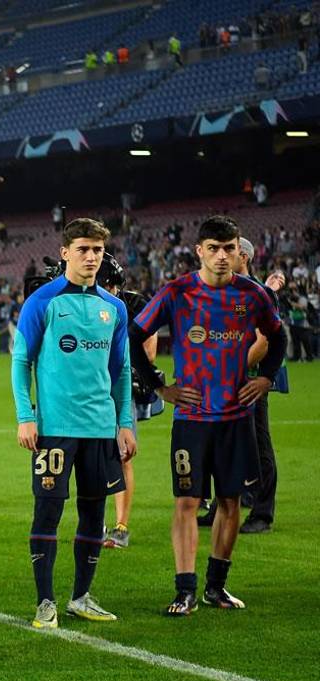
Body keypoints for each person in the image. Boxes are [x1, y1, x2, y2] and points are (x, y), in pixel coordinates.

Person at [128, 216, 286, 616]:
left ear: (239, 251)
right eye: (213, 248)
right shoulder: (177, 292)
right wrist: (160, 385)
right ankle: (184, 590)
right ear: (199, 251)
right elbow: (133, 334)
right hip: (192, 422)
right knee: (187, 501)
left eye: (229, 248)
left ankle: (217, 587)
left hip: (235, 418)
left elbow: (279, 335)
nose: (221, 256)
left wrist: (266, 377)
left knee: (230, 502)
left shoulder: (252, 295)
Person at [11, 219, 136, 629]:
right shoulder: (43, 301)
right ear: (65, 252)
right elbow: (21, 361)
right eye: (82, 249)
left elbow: (121, 371)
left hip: (100, 429)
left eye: (97, 250)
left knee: (93, 514)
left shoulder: (114, 308)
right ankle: (44, 602)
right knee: (48, 512)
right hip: (54, 429)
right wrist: (26, 417)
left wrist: (125, 422)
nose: (90, 257)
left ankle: (80, 597)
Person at [98, 255, 160, 549]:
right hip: (90, 390)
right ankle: (96, 524)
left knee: (122, 456)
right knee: (92, 458)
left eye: (108, 284)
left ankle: (121, 527)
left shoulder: (133, 304)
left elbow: (149, 346)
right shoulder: (79, 301)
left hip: (123, 387)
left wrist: (136, 370)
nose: (105, 289)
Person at [239, 237, 284, 535]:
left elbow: (264, 341)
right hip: (229, 383)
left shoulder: (259, 294)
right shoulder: (226, 292)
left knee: (259, 445)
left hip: (251, 381)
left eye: (227, 249)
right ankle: (222, 505)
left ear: (242, 255)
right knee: (228, 446)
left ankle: (262, 514)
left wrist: (233, 369)